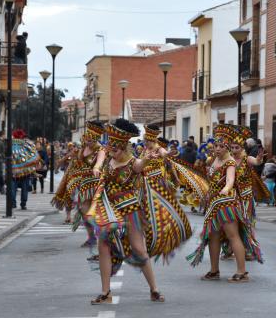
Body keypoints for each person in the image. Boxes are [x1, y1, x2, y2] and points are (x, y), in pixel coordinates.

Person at [86, 119, 165, 304]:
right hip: (108, 209)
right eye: (111, 146)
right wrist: (97, 168)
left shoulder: (132, 162)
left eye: (116, 148)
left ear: (124, 147)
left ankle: (154, 289)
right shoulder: (107, 156)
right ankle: (105, 293)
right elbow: (99, 160)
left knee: (138, 249)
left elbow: (140, 165)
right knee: (103, 246)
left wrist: (147, 159)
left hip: (130, 209)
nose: (112, 150)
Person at [187, 124, 263, 282]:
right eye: (216, 146)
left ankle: (241, 272)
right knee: (213, 236)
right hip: (214, 204)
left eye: (222, 146)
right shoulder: (214, 160)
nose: (218, 149)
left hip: (227, 203)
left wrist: (226, 188)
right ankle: (214, 270)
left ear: (227, 147)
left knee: (233, 235)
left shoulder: (230, 163)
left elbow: (230, 180)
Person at [140, 124, 192, 261]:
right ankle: (150, 239)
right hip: (144, 185)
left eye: (148, 140)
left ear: (153, 140)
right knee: (145, 213)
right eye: (145, 140)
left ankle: (165, 238)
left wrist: (168, 154)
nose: (146, 142)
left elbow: (165, 155)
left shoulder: (159, 149)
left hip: (158, 185)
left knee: (159, 213)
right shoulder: (144, 150)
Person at [72, 122, 106, 247]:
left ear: (97, 138)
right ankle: (91, 237)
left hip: (96, 183)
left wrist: (97, 167)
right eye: (88, 139)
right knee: (83, 211)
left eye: (92, 140)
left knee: (94, 212)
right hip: (84, 184)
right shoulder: (83, 148)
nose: (89, 142)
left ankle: (101, 237)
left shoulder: (101, 149)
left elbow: (100, 161)